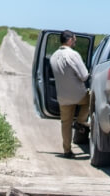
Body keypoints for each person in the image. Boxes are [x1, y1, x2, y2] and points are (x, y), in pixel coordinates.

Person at [49, 30, 90, 158]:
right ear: (70, 40)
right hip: (78, 94)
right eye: (75, 39)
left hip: (62, 96)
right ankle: (81, 121)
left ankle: (67, 150)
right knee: (92, 97)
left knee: (65, 123)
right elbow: (84, 76)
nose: (75, 42)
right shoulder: (73, 54)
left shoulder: (53, 56)